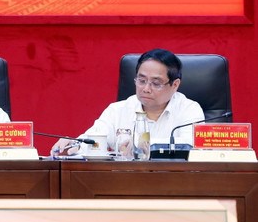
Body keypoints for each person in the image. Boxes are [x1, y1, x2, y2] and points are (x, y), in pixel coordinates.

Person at [50, 48, 204, 156]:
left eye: (156, 83)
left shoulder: (189, 110)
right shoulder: (118, 110)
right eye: (141, 81)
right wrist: (75, 144)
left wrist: (139, 144)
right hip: (125, 183)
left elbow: (190, 146)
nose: (146, 89)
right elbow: (95, 138)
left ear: (175, 85)